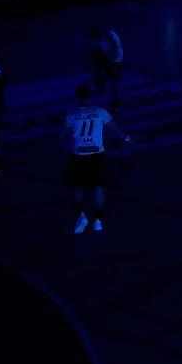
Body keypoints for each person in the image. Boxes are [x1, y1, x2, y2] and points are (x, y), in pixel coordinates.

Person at [66, 84, 130, 234]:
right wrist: (127, 138)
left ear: (77, 97)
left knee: (78, 186)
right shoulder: (100, 111)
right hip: (97, 155)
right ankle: (98, 221)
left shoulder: (72, 115)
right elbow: (115, 128)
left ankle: (81, 217)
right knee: (98, 187)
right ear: (90, 96)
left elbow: (62, 136)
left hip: (78, 155)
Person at [88, 27, 125, 106]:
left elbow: (110, 53)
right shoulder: (99, 41)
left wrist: (111, 65)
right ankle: (101, 88)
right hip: (106, 62)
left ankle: (116, 100)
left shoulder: (104, 42)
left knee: (112, 81)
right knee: (101, 75)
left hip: (110, 63)